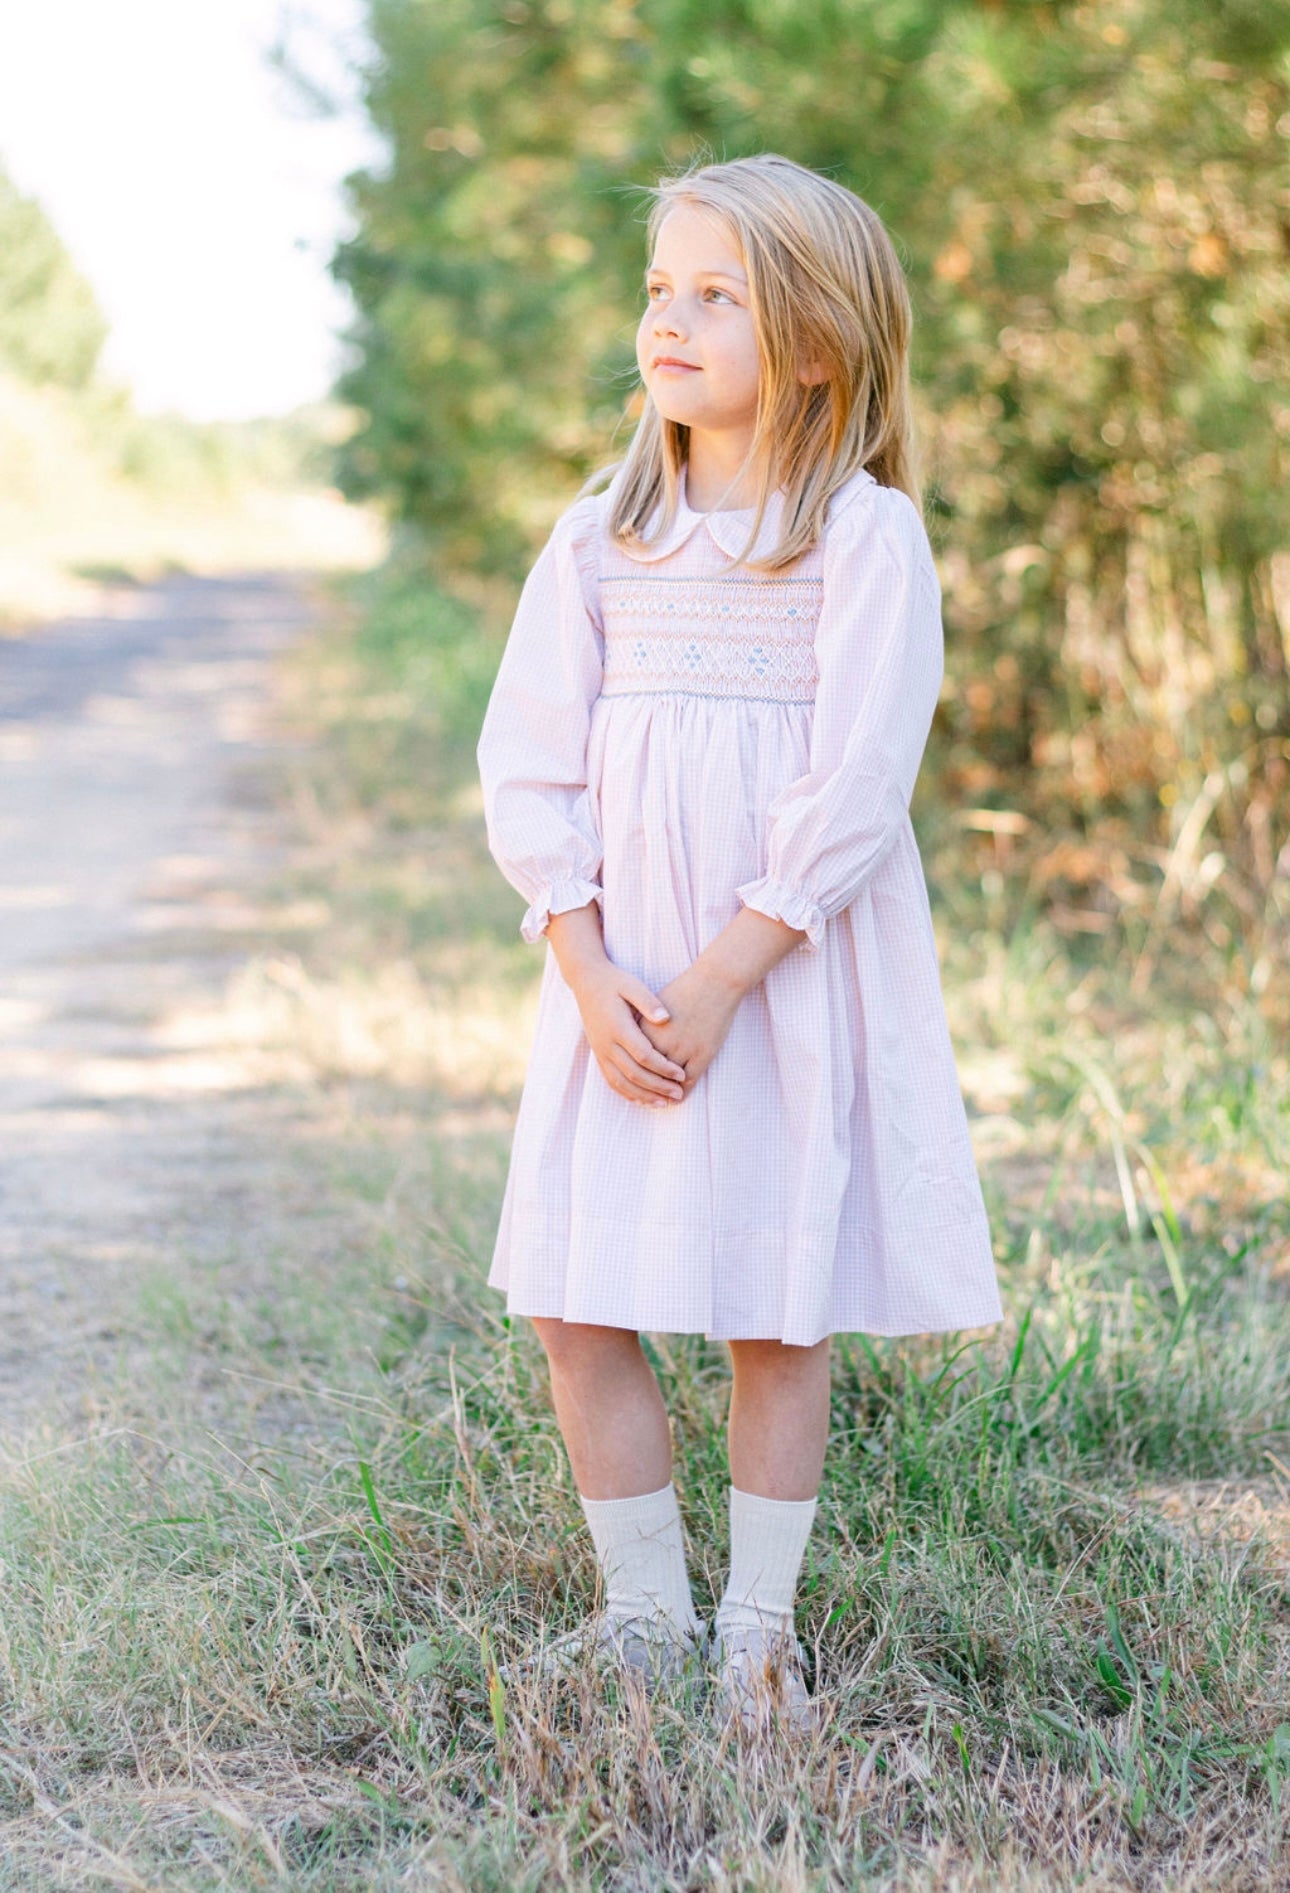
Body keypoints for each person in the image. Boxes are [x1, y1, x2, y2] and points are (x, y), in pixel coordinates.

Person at [475, 152, 1002, 1734]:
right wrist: (587, 966)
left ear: (820, 344)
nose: (670, 319)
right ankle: (643, 1615)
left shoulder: (859, 535)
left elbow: (855, 786)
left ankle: (752, 1639)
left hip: (767, 979)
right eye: (658, 290)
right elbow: (529, 760)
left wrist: (717, 979)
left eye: (718, 293)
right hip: (619, 979)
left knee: (774, 1305)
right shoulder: (597, 538)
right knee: (578, 1300)